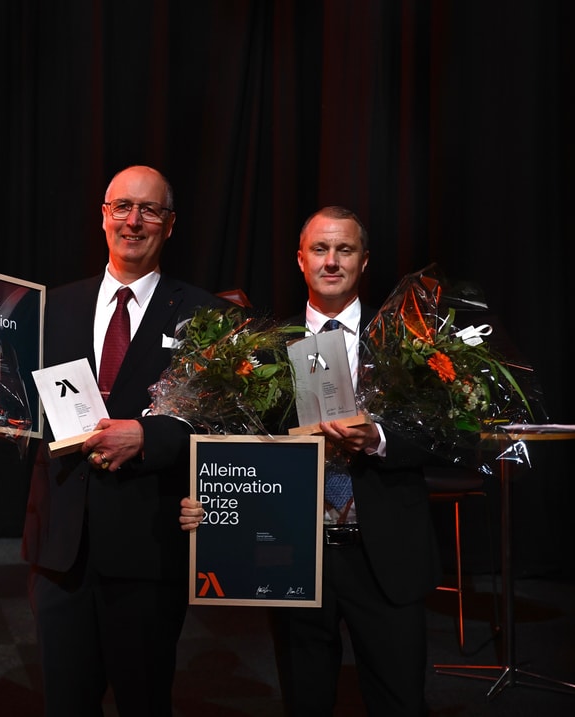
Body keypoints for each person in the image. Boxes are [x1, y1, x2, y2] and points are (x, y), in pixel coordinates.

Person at [181, 206, 441, 715]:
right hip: (295, 554)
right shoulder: (262, 349)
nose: (331, 261)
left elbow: (438, 434)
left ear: (364, 261)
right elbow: (236, 448)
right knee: (305, 699)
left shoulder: (406, 341)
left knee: (400, 700)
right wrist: (205, 498)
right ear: (299, 260)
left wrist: (379, 439)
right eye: (320, 249)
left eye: (344, 250)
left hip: (384, 552)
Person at [22, 165, 229, 716]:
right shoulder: (52, 307)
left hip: (149, 550)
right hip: (61, 548)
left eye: (150, 210)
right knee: (65, 704)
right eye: (122, 207)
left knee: (144, 704)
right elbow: (16, 407)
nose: (133, 221)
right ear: (103, 216)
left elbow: (230, 423)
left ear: (170, 224)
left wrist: (149, 436)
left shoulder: (207, 316)